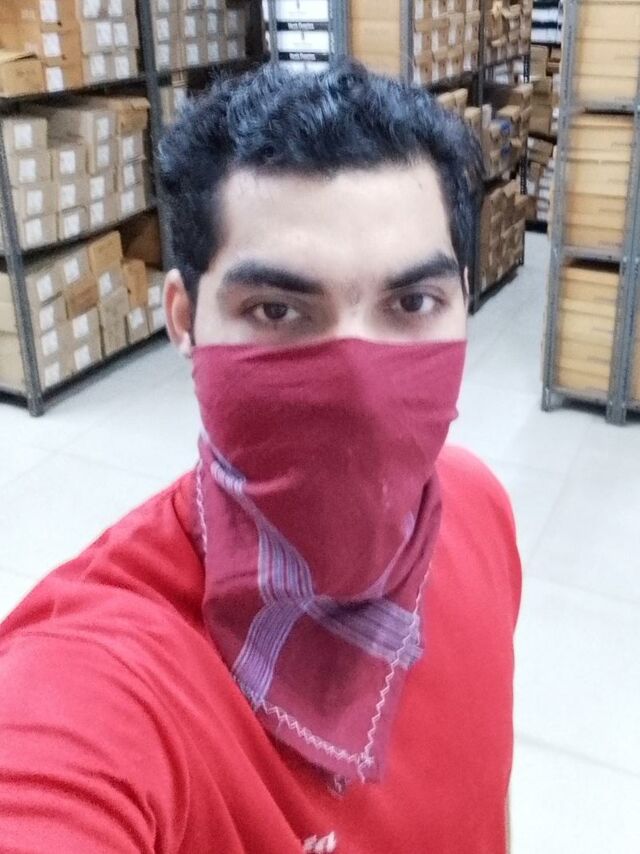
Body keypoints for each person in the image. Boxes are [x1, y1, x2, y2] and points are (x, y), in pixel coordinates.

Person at [0, 63, 521, 853]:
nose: (358, 388)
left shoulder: (479, 509)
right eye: (277, 309)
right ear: (185, 320)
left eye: (413, 302)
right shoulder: (101, 674)